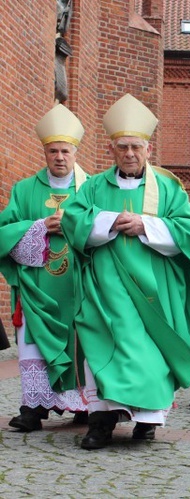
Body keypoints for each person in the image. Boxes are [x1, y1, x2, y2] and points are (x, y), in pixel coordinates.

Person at [61, 94, 190, 449]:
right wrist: (111, 220)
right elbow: (73, 219)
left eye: (136, 147)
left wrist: (146, 225)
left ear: (148, 149)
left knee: (151, 352)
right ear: (112, 150)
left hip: (155, 290)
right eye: (123, 147)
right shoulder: (95, 186)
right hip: (105, 288)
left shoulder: (168, 188)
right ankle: (100, 422)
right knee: (102, 347)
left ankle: (146, 422)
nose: (130, 153)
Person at [0, 104, 88, 431]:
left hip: (78, 286)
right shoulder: (25, 189)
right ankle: (33, 408)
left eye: (65, 150)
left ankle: (82, 405)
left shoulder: (90, 188)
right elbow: (3, 233)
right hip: (36, 286)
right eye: (53, 151)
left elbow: (101, 231)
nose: (60, 157)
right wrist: (38, 227)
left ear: (75, 152)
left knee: (80, 345)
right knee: (33, 344)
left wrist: (74, 227)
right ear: (45, 152)